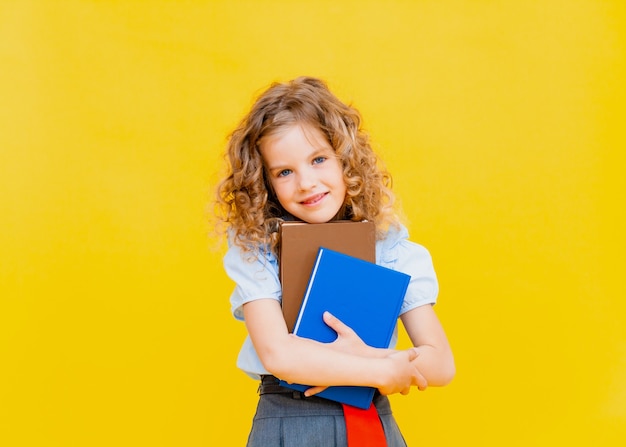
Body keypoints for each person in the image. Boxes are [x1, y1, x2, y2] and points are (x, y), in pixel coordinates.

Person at [216, 76, 455, 446]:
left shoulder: (390, 247)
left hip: (369, 420)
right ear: (265, 183)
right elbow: (278, 354)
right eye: (284, 172)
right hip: (288, 420)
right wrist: (377, 369)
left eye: (319, 159)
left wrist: (369, 362)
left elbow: (440, 364)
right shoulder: (257, 249)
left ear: (345, 158)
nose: (307, 183)